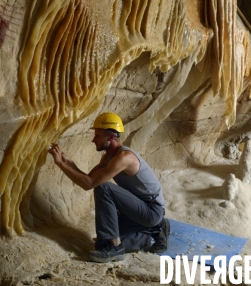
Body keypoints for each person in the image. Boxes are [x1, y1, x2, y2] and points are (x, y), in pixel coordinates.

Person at [47, 112, 170, 263]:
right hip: (137, 212)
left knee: (103, 189)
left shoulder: (123, 158)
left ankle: (115, 248)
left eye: (97, 136)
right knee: (101, 242)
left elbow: (90, 184)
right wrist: (67, 162)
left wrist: (60, 164)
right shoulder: (109, 156)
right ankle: (156, 230)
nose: (93, 140)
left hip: (151, 211)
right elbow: (89, 178)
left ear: (110, 137)